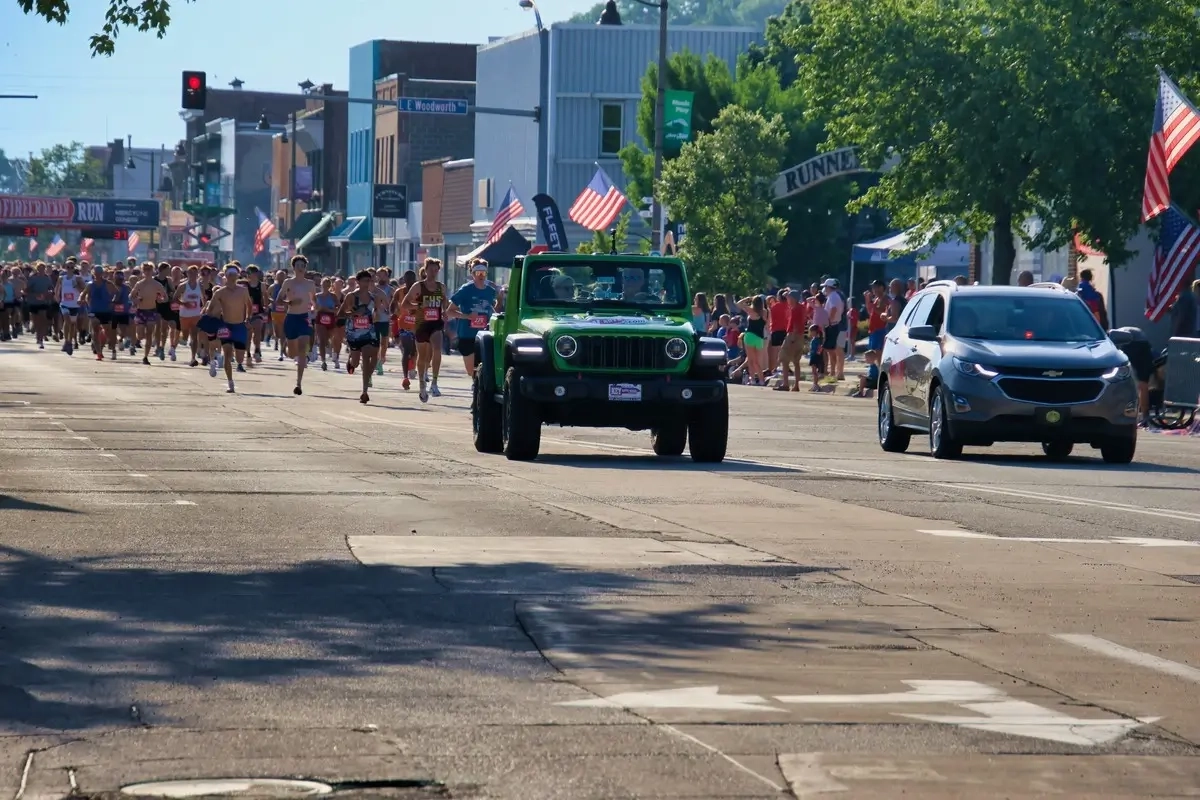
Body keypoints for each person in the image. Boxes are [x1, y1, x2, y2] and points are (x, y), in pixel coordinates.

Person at [401, 258, 448, 403]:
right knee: (422, 357)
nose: (433, 273)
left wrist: (445, 311)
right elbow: (405, 304)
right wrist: (418, 306)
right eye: (431, 270)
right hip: (422, 325)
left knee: (437, 349)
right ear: (425, 270)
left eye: (436, 270)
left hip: (436, 324)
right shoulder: (418, 286)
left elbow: (445, 302)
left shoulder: (441, 287)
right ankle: (422, 383)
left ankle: (434, 383)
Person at [446, 258, 499, 377]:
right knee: (472, 371)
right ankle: (476, 385)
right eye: (478, 272)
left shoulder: (490, 291)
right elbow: (449, 311)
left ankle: (478, 389)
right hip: (467, 335)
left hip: (485, 335)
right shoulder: (465, 290)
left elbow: (492, 308)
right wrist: (467, 316)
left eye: (483, 273)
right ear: (472, 274)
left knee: (484, 368)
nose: (481, 275)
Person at [339, 269, 385, 404]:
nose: (367, 283)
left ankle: (365, 391)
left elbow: (376, 313)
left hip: (369, 331)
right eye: (364, 280)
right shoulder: (351, 297)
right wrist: (353, 314)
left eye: (369, 280)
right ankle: (351, 361)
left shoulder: (374, 297)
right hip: (354, 332)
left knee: (370, 356)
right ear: (358, 282)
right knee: (356, 363)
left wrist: (376, 315)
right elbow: (340, 314)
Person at [208, 263, 252, 393]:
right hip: (226, 325)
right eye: (229, 274)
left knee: (239, 358)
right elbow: (210, 309)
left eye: (234, 274)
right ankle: (230, 382)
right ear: (226, 276)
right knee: (227, 354)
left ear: (237, 275)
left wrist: (248, 318)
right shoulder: (220, 292)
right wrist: (211, 319)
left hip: (239, 325)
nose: (232, 276)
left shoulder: (243, 290)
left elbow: (249, 305)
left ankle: (236, 362)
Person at [279, 255, 317, 396]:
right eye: (298, 265)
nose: (301, 268)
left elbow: (314, 301)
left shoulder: (310, 284)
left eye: (303, 266)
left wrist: (313, 310)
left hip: (304, 318)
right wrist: (289, 303)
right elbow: (278, 300)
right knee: (292, 353)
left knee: (302, 350)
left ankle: (299, 383)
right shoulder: (288, 283)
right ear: (293, 268)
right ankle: (286, 348)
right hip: (291, 318)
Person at [131, 263, 167, 365]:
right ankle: (137, 341)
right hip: (141, 311)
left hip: (151, 311)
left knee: (149, 334)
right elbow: (131, 296)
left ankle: (145, 357)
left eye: (149, 270)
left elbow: (165, 297)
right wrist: (135, 300)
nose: (147, 272)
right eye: (145, 270)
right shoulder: (139, 284)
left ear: (153, 271)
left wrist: (161, 300)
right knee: (141, 335)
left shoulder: (157, 284)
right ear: (143, 271)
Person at [173, 266, 206, 367]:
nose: (192, 275)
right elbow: (174, 298)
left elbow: (204, 299)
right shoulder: (183, 286)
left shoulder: (200, 286)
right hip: (184, 315)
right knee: (185, 337)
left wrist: (204, 309)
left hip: (195, 315)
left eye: (195, 273)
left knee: (194, 337)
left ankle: (193, 358)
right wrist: (183, 304)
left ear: (197, 274)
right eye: (190, 273)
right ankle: (178, 340)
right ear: (187, 274)